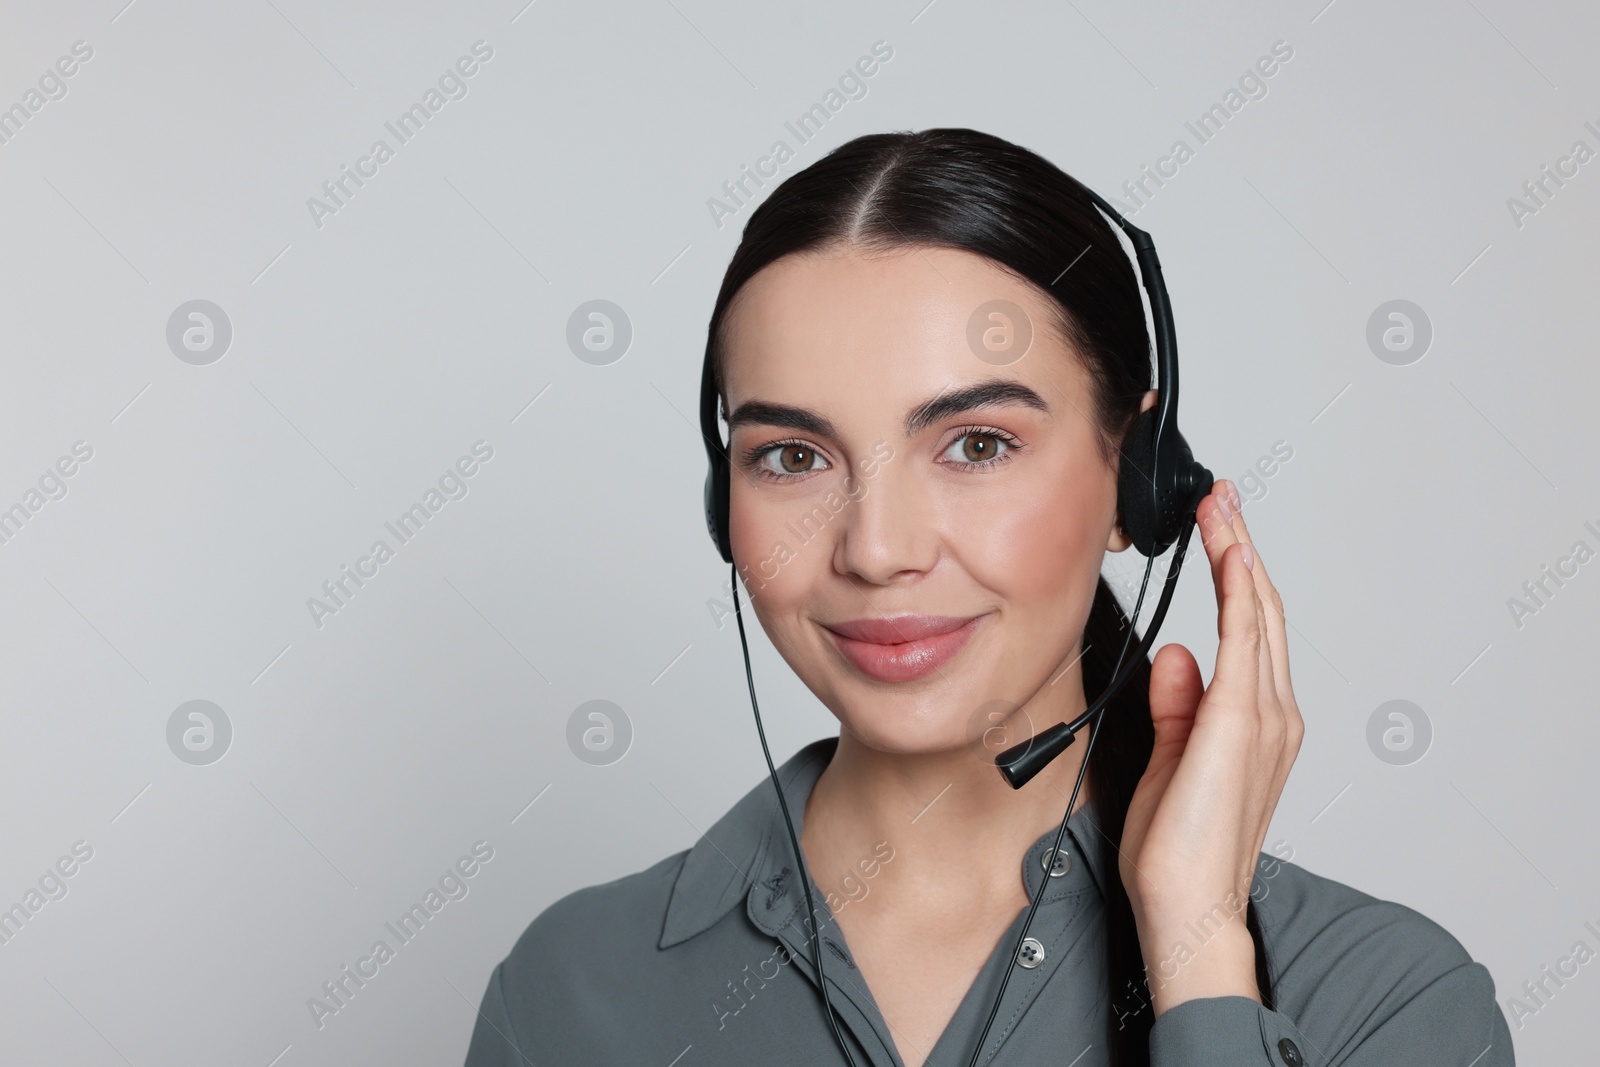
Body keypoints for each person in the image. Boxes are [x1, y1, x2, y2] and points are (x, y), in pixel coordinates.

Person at [463, 128, 1512, 1066]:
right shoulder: (569, 991)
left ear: (1135, 482)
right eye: (791, 455)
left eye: (975, 444)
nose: (876, 549)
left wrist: (1197, 953)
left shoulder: (1385, 1000)